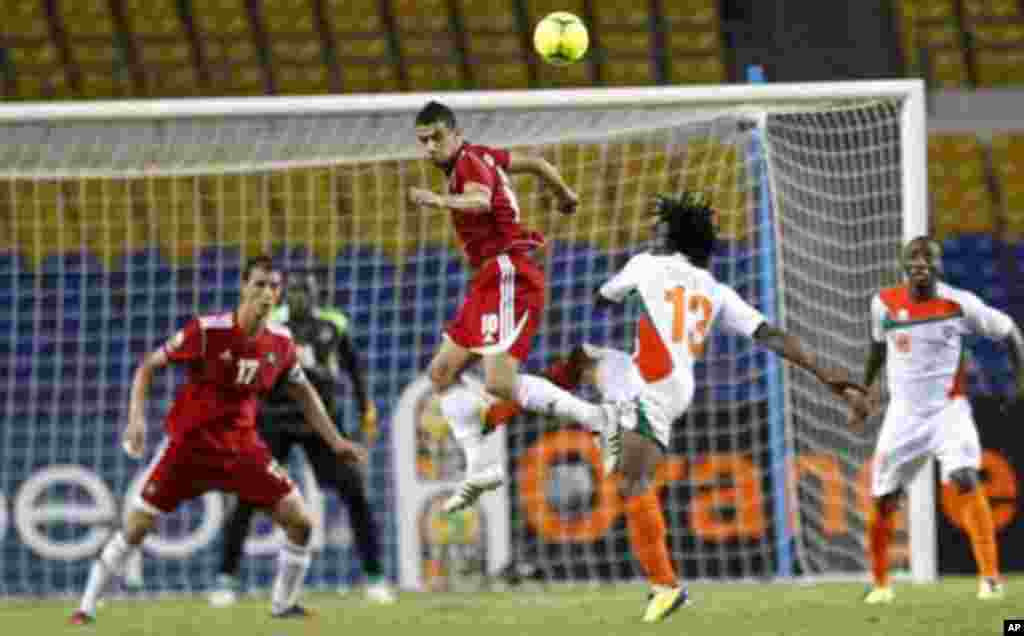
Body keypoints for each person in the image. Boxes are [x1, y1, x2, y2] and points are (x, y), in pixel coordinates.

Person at [588, 191, 865, 623]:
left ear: (673, 238)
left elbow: (602, 299)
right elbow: (770, 334)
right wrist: (825, 374)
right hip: (677, 384)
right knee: (626, 469)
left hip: (653, 383)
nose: (651, 238)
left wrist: (620, 295)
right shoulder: (716, 289)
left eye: (657, 233)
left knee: (632, 481)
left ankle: (666, 587)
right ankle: (664, 585)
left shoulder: (644, 264)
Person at [69, 256, 367, 625]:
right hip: (188, 449)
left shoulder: (281, 342)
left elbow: (303, 392)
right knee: (137, 527)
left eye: (273, 287)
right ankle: (85, 608)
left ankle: (283, 604)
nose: (267, 293)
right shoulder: (207, 331)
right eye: (259, 284)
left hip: (242, 450)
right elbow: (148, 366)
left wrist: (336, 441)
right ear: (243, 287)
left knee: (301, 522)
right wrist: (136, 420)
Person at [408, 100, 622, 513]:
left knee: (500, 383)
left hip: (508, 272)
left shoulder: (469, 163)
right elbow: (537, 163)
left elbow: (480, 200)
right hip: (488, 279)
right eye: (423, 141)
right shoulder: (486, 155)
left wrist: (438, 202)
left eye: (437, 137)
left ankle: (600, 419)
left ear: (455, 133)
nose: (431, 147)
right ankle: (479, 468)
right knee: (441, 372)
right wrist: (564, 193)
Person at [852, 236, 1024, 604]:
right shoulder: (882, 304)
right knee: (885, 498)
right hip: (903, 414)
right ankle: (881, 585)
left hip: (949, 410)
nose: (920, 263)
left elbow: (1008, 331)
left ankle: (990, 579)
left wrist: (1019, 379)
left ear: (939, 265)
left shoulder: (959, 304)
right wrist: (864, 391)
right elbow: (878, 348)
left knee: (964, 476)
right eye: (913, 257)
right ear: (902, 263)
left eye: (928, 257)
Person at [208, 272, 394, 607]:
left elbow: (354, 368)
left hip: (320, 423)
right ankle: (225, 579)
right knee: (247, 496)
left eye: (304, 291)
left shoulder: (334, 324)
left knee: (354, 491)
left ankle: (375, 576)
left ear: (316, 293)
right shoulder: (270, 324)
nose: (298, 298)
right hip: (273, 421)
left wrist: (366, 406)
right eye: (291, 291)